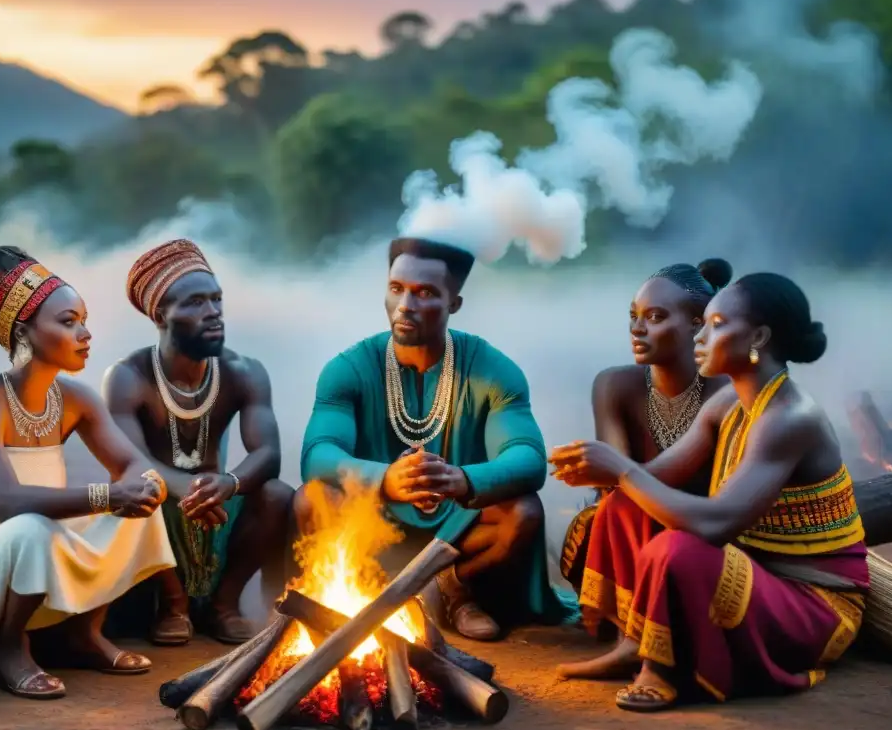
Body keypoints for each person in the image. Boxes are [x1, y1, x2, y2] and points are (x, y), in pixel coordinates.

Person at [550, 272, 868, 712]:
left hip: (812, 603)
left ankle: (660, 671)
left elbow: (716, 524)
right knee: (625, 506)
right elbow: (656, 477)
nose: (699, 335)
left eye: (716, 324)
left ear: (758, 336)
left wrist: (621, 469)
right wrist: (596, 469)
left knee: (677, 548)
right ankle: (633, 642)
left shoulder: (791, 417)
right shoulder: (728, 403)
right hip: (756, 574)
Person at [0, 246, 176, 700]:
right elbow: (7, 503)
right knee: (31, 526)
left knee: (142, 507)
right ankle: (9, 647)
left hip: (31, 572)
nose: (85, 334)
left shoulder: (76, 399)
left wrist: (146, 485)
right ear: (23, 331)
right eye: (68, 322)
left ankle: (83, 634)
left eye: (83, 320)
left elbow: (133, 466)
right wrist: (108, 496)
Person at [295, 236, 580, 641]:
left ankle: (454, 589)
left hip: (463, 523)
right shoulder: (347, 368)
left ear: (454, 304)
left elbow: (528, 458)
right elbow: (317, 455)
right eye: (396, 289)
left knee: (523, 513)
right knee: (313, 497)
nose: (405, 305)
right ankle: (367, 598)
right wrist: (386, 480)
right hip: (376, 520)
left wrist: (461, 480)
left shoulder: (495, 370)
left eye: (425, 293)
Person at [104, 238, 293, 645]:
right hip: (162, 507)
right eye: (194, 303)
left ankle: (224, 605)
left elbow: (268, 454)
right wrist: (192, 492)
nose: (213, 314)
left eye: (216, 300)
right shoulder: (127, 377)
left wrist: (230, 484)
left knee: (277, 494)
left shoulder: (244, 371)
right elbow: (130, 462)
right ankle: (174, 605)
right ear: (160, 315)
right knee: (140, 494)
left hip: (218, 503)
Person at [559, 259, 733, 598]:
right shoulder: (614, 385)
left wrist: (614, 468)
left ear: (696, 324)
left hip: (704, 531)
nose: (636, 329)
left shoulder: (727, 392)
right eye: (633, 316)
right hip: (630, 526)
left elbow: (728, 503)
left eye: (655, 317)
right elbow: (616, 491)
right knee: (608, 513)